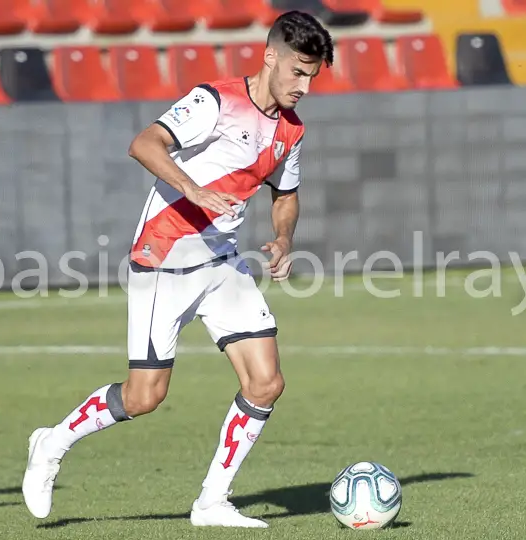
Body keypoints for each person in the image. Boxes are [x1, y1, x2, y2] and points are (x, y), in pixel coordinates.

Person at [22, 11, 334, 529]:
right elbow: (144, 143)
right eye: (299, 72)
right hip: (164, 258)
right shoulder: (214, 100)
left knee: (266, 382)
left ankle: (212, 502)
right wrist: (194, 189)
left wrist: (283, 237)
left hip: (223, 264)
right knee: (145, 397)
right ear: (271, 55)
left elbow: (286, 195)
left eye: (313, 77)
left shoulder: (292, 131)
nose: (304, 86)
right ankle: (52, 442)